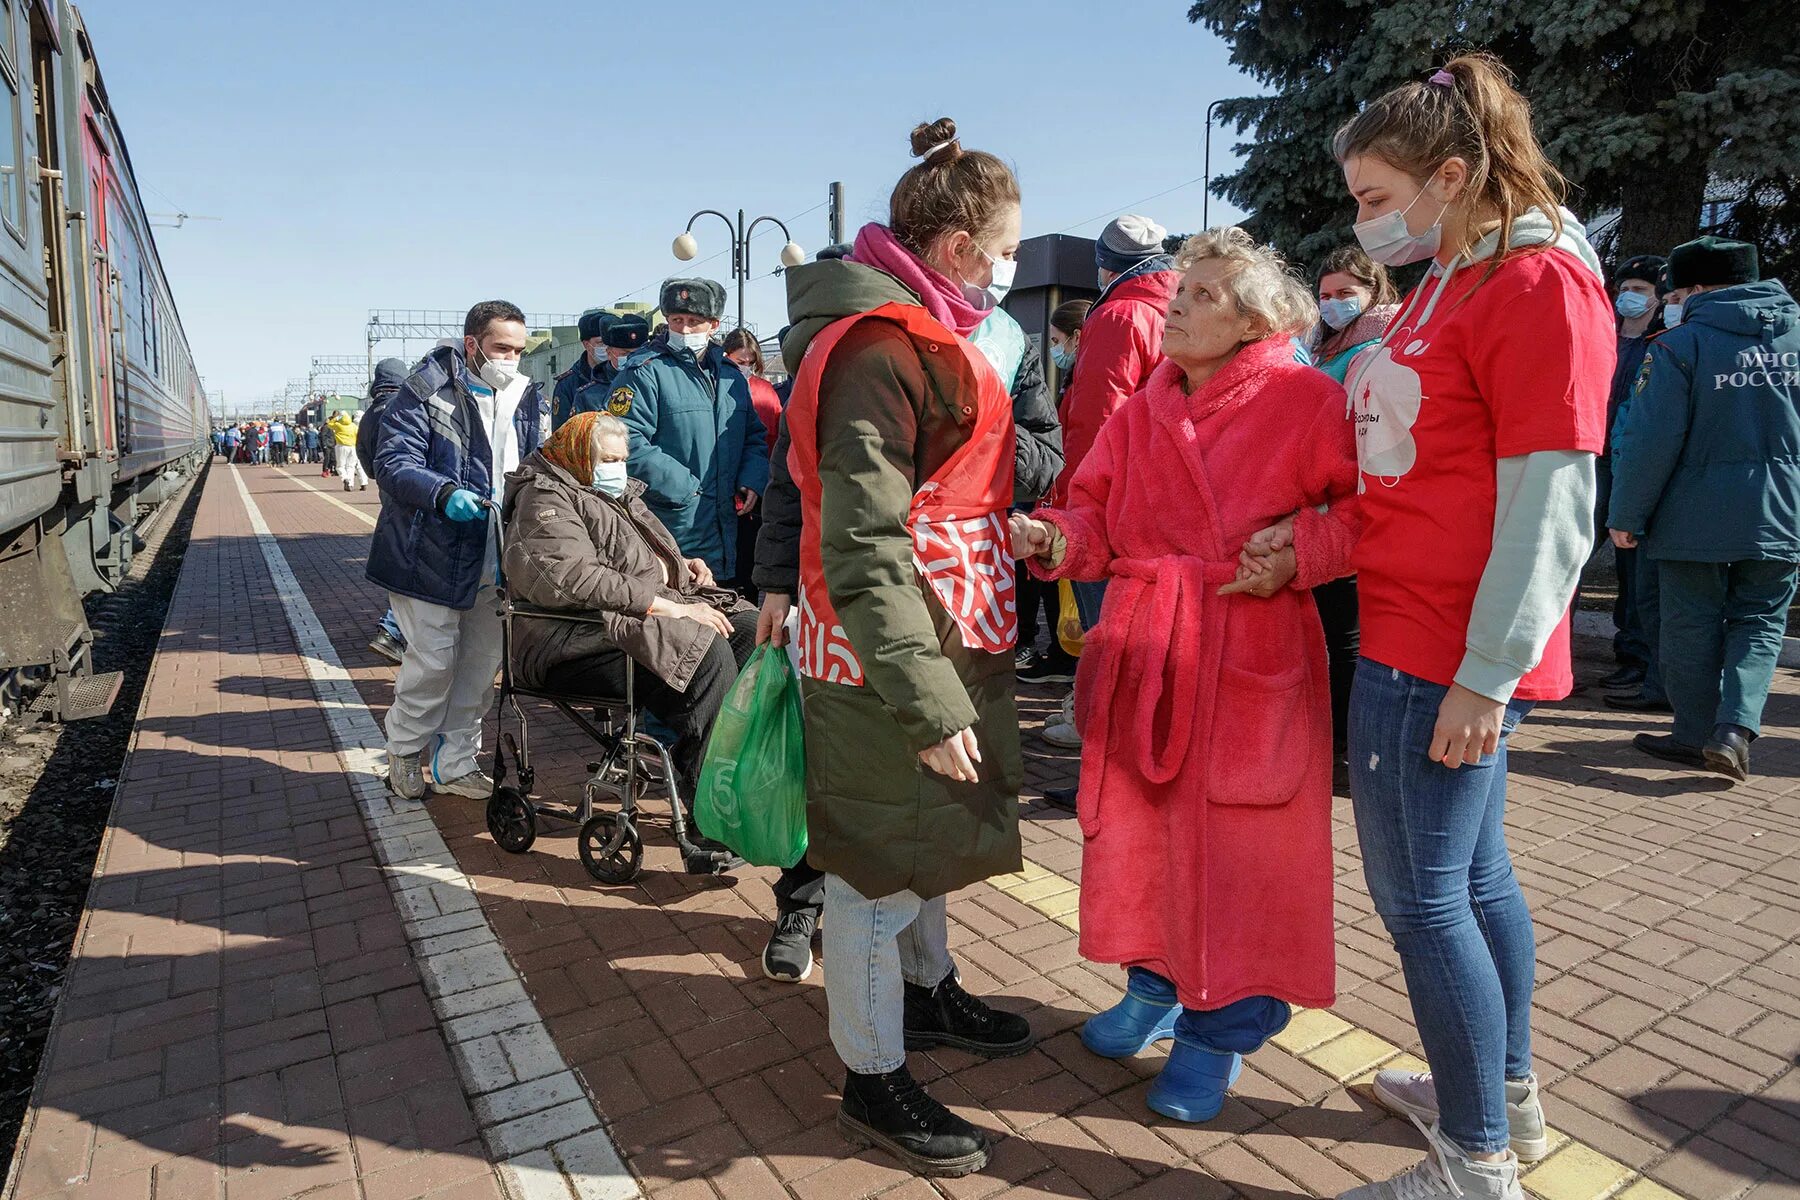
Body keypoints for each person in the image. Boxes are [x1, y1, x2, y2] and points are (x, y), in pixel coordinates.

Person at [1328, 57, 1612, 1200]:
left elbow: (1554, 499)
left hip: (1438, 648)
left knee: (1425, 902)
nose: (1361, 223)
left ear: (1452, 176)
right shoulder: (1457, 272)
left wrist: (1486, 677)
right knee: (1477, 881)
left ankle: (1475, 1162)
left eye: (1373, 197)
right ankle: (1501, 1100)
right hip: (1415, 627)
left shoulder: (1538, 287)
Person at [1011, 226, 1354, 1125]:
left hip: (1248, 647)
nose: (1177, 304)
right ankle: (1154, 984)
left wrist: (1304, 551)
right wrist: (1053, 539)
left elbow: (1371, 514)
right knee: (1143, 832)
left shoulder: (1308, 400)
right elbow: (1091, 512)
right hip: (1148, 647)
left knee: (1242, 855)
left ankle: (1219, 1032)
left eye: (1202, 295)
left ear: (1255, 319)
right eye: (1179, 291)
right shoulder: (1143, 408)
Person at [772, 116, 1035, 1177]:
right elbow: (863, 538)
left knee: (923, 840)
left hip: (930, 632)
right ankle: (872, 1077)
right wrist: (929, 701)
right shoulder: (883, 348)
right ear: (963, 248)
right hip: (885, 653)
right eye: (1009, 243)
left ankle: (926, 995)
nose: (1014, 263)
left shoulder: (912, 333)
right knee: (876, 866)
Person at [502, 411, 752, 873]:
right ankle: (705, 814)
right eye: (608, 459)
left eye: (621, 459)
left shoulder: (611, 494)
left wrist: (682, 567)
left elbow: (636, 562)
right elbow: (570, 577)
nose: (617, 468)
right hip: (568, 642)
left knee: (751, 634)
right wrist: (671, 606)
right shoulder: (545, 498)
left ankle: (731, 781)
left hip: (619, 625)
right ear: (579, 456)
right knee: (706, 654)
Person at [1607, 236, 1800, 783]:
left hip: (1692, 520)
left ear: (1693, 289)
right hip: (1783, 515)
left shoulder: (1677, 346)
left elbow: (1650, 441)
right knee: (1760, 622)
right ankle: (1736, 728)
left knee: (1690, 626)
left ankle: (1694, 734)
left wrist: (1626, 515)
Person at [370, 301, 544, 800]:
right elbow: (393, 460)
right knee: (433, 663)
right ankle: (403, 754)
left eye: (518, 349)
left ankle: (456, 763)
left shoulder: (526, 396)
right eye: (500, 348)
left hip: (496, 554)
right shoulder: (425, 391)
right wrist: (443, 493)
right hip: (429, 553)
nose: (510, 359)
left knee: (480, 665)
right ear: (472, 345)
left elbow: (537, 459)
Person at [1037, 215, 1178, 767]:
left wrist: (1074, 500)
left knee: (1107, 628)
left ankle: (1109, 741)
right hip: (1159, 492)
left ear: (1106, 264)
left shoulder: (1120, 313)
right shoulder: (1175, 305)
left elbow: (1099, 416)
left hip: (1114, 497)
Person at [612, 279, 769, 582]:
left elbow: (753, 435)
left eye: (694, 322)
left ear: (713, 324)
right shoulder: (645, 371)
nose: (684, 329)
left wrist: (752, 477)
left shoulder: (731, 377)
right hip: (672, 522)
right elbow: (622, 439)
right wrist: (685, 488)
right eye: (677, 320)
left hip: (727, 527)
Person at [1308, 245, 1401, 755]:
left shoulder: (1374, 348)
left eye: (1346, 293)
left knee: (1345, 638)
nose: (1332, 303)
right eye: (1325, 294)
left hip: (1350, 504)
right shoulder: (1329, 345)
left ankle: (1345, 748)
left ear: (1373, 293)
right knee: (1332, 633)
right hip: (1324, 504)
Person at [1597, 255, 1670, 707]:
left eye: (1641, 287)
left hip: (1634, 463)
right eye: (1626, 285)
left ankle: (1636, 655)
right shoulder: (1604, 336)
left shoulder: (1663, 342)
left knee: (1634, 566)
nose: (1631, 295)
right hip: (1594, 458)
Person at [1014, 301, 1089, 699]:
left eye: (1058, 341)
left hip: (1065, 499)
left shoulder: (1086, 379)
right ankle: (1062, 652)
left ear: (1078, 337)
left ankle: (1066, 656)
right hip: (1058, 501)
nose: (1056, 350)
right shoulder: (1073, 379)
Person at [357, 358, 413, 664]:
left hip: (388, 496)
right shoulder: (407, 408)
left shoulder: (367, 416)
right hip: (415, 495)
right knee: (416, 561)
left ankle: (395, 629)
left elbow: (365, 462)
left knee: (404, 559)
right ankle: (392, 630)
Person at [721, 328, 782, 600]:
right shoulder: (762, 391)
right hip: (745, 484)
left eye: (749, 363)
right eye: (739, 362)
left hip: (754, 488)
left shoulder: (764, 391)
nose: (745, 368)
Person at [570, 314, 651, 418]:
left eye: (637, 354)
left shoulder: (654, 386)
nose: (632, 359)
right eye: (625, 354)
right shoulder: (588, 396)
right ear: (609, 353)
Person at [552, 311, 613, 430]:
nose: (607, 348)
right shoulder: (568, 384)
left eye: (610, 342)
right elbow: (560, 433)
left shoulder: (622, 374)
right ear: (586, 344)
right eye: (601, 343)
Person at [327, 408, 366, 490]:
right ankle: (351, 484)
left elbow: (329, 424)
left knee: (340, 466)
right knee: (350, 467)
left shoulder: (338, 425)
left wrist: (336, 418)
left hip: (341, 446)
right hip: (353, 447)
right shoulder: (353, 426)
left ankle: (345, 479)